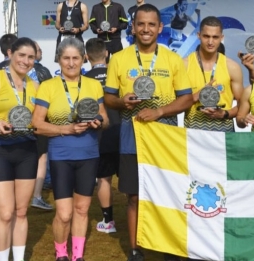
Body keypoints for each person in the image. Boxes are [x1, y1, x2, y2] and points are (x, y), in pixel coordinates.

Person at [104, 4, 193, 261]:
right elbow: (108, 98)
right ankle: (135, 248)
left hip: (166, 137)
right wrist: (123, 102)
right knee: (134, 195)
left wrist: (159, 112)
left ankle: (169, 248)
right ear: (133, 27)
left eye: (151, 24)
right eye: (140, 24)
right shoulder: (119, 59)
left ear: (160, 28)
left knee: (170, 192)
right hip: (132, 136)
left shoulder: (172, 59)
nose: (145, 29)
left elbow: (186, 99)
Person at [31, 37, 109, 261]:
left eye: (76, 58)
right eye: (66, 58)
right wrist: (66, 128)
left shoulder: (93, 85)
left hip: (89, 154)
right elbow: (37, 124)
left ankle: (77, 256)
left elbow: (104, 118)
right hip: (61, 156)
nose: (71, 63)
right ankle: (60, 254)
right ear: (58, 59)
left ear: (84, 58)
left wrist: (98, 121)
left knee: (82, 210)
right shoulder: (48, 86)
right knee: (64, 214)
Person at [0, 37, 40, 261]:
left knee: (21, 212)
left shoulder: (35, 86)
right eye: (22, 55)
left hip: (27, 151)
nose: (26, 61)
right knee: (4, 213)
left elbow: (40, 119)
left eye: (31, 57)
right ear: (10, 53)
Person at [83, 38, 120, 234]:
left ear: (86, 57)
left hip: (100, 136)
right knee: (134, 179)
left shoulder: (84, 80)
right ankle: (139, 218)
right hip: (125, 132)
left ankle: (108, 222)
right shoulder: (118, 75)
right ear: (106, 53)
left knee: (103, 179)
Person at [183, 16, 243, 132]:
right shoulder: (184, 65)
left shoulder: (232, 67)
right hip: (193, 134)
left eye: (215, 37)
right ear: (198, 35)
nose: (210, 42)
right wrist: (198, 95)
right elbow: (175, 104)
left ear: (222, 38)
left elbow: (243, 104)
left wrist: (225, 114)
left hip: (224, 135)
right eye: (206, 36)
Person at [30, 40, 54, 211]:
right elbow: (51, 94)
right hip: (38, 122)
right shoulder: (43, 71)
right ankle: (37, 194)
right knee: (41, 157)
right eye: (38, 50)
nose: (40, 52)